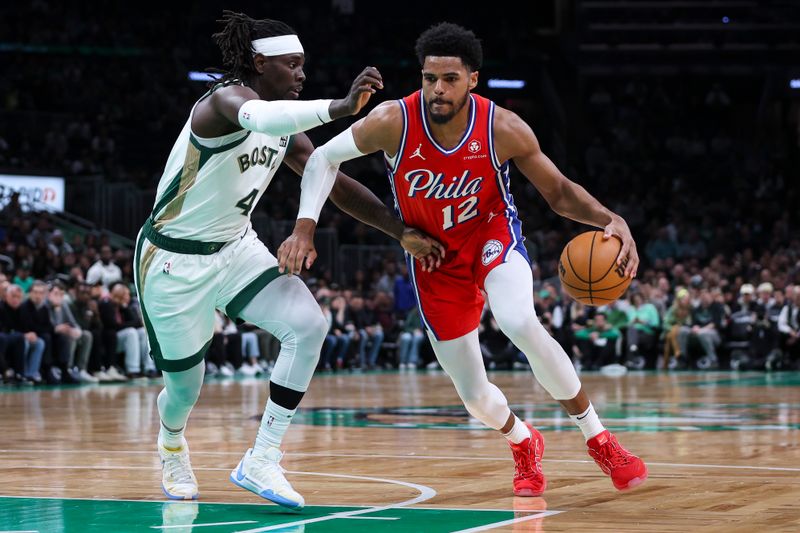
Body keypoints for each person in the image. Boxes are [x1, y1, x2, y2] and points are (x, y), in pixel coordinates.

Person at [284, 22, 647, 495]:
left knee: (518, 320)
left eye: (450, 78)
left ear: (473, 79)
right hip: (432, 257)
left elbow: (557, 192)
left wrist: (608, 219)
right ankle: (523, 441)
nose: (438, 88)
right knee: (474, 397)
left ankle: (597, 437)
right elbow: (321, 159)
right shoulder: (393, 120)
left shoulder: (502, 126)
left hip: (491, 238)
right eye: (430, 78)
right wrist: (305, 226)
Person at [133, 11, 442, 509]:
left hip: (236, 248)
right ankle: (171, 442)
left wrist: (399, 230)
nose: (302, 75)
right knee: (186, 388)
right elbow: (263, 118)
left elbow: (333, 181)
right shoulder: (225, 102)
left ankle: (263, 456)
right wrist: (342, 106)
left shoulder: (287, 127)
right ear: (260, 62)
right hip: (173, 259)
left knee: (308, 325)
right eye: (293, 65)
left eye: (304, 65)